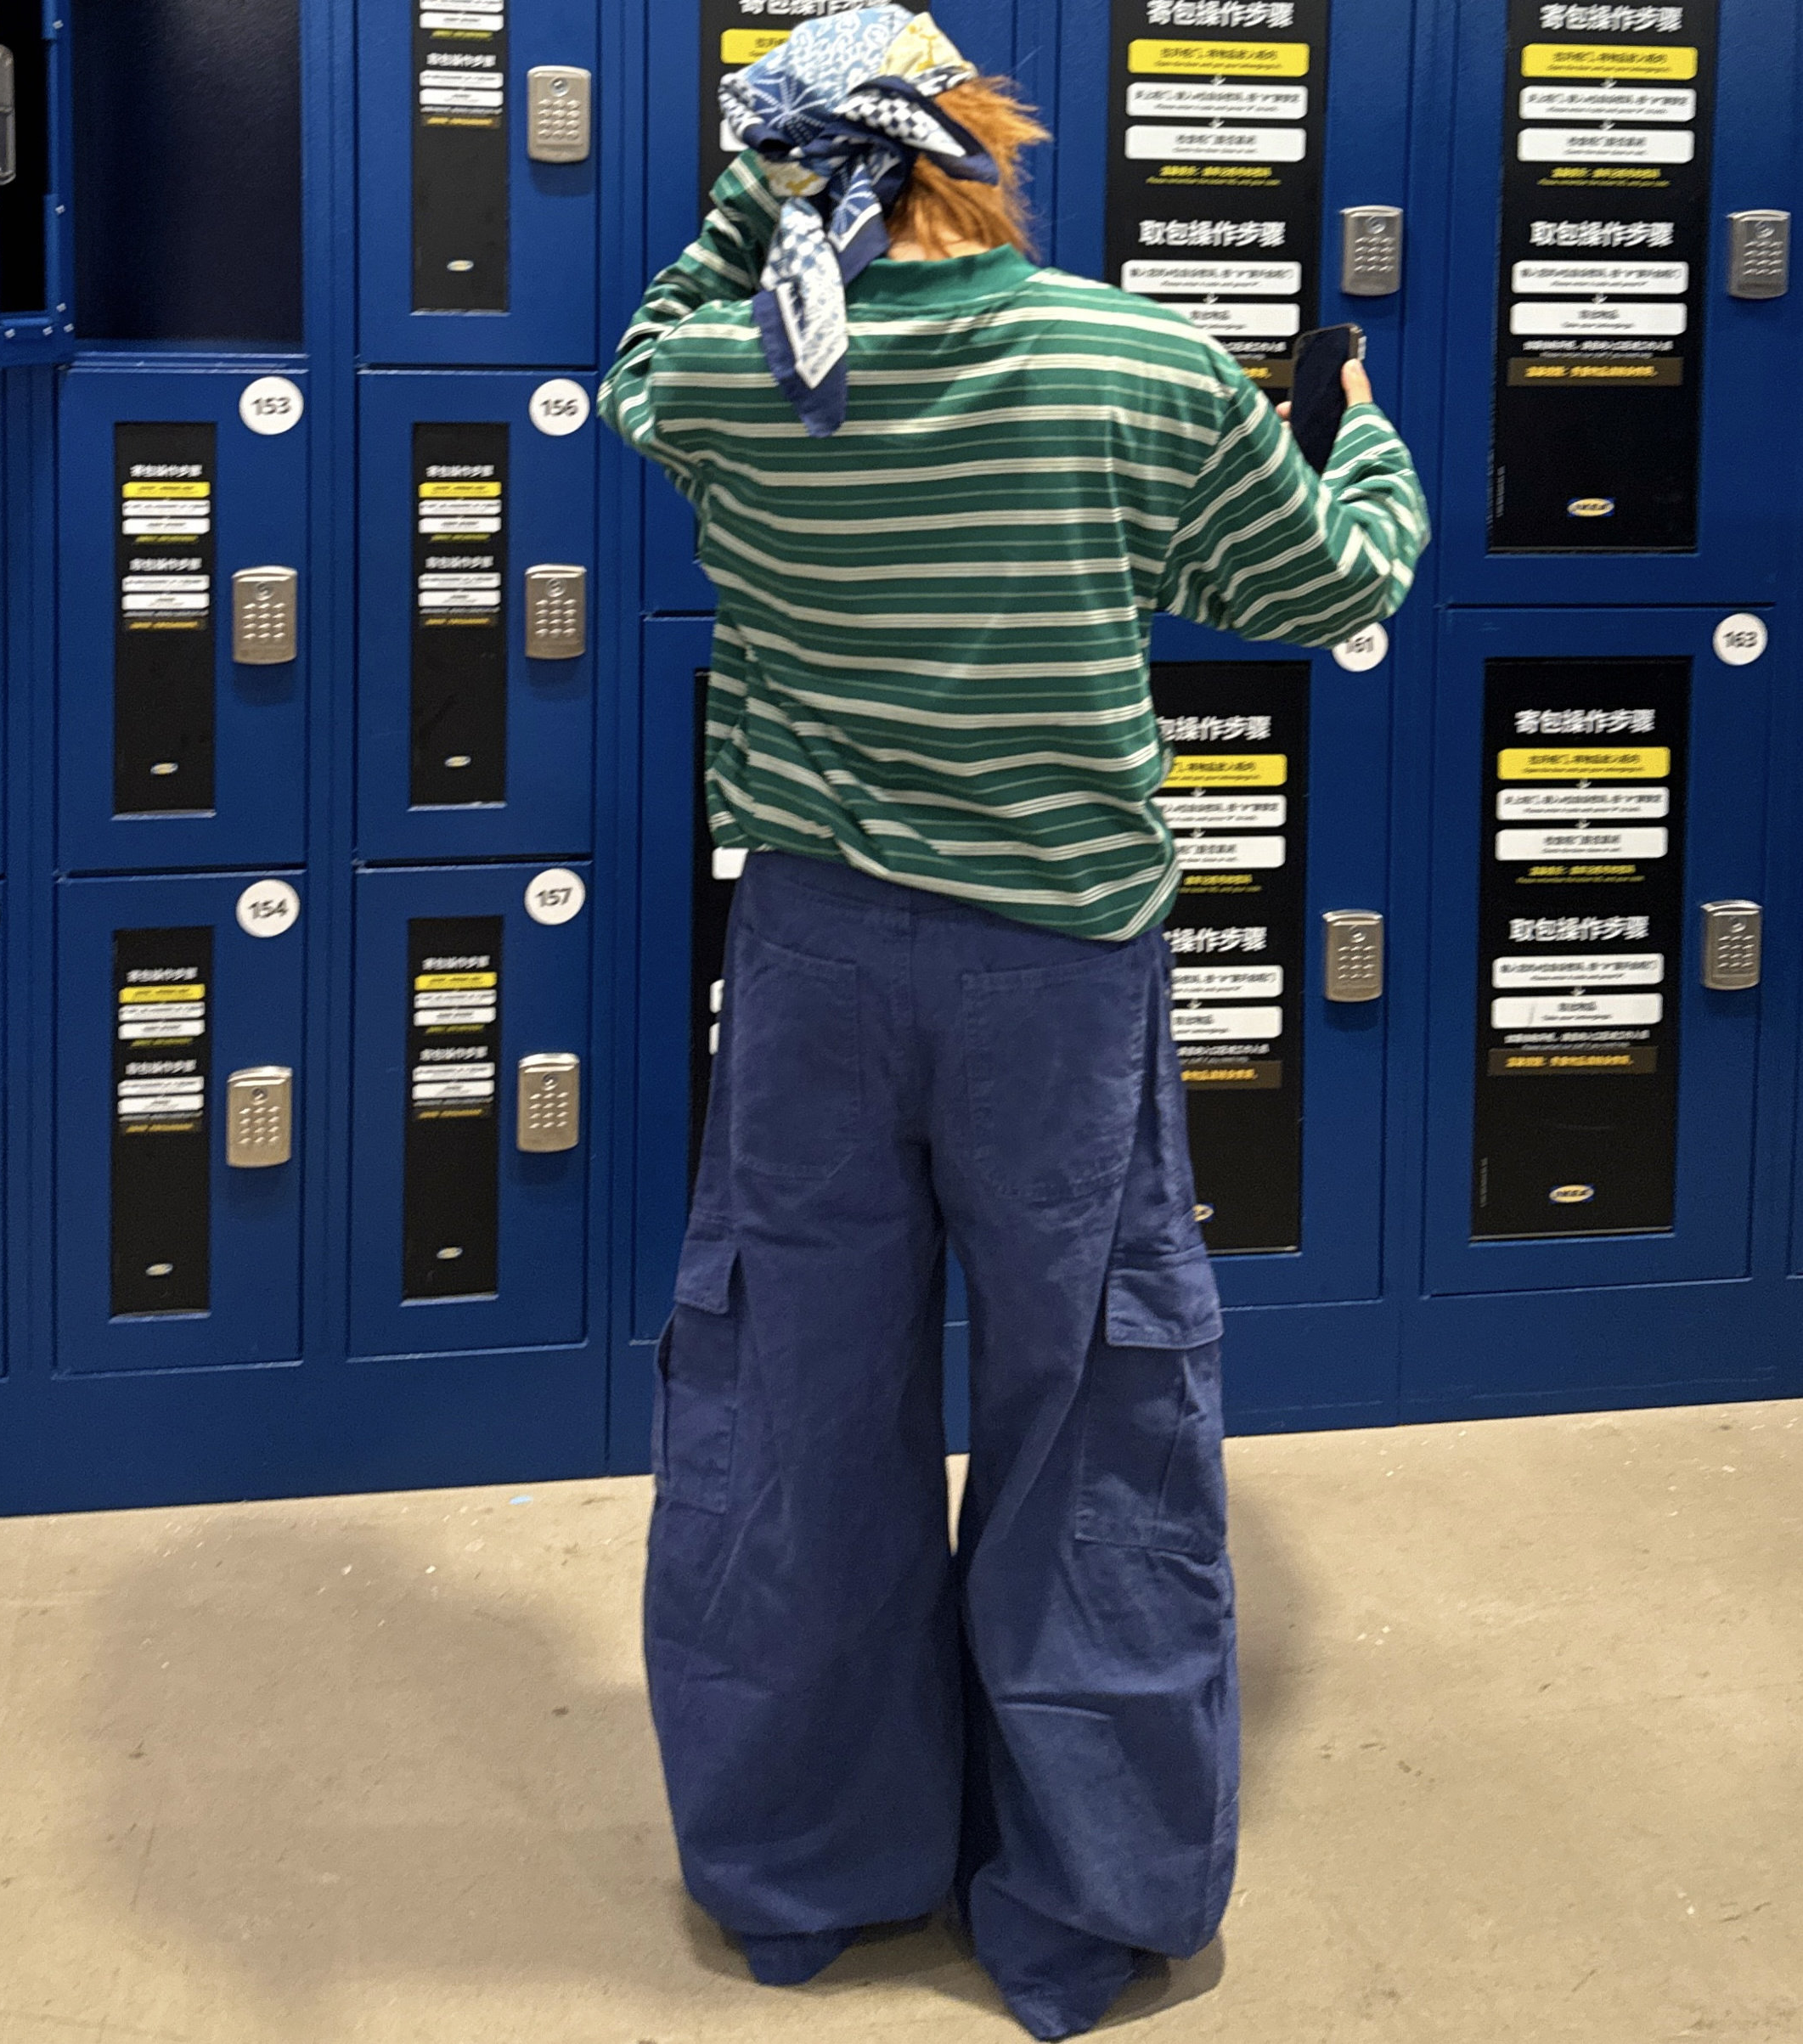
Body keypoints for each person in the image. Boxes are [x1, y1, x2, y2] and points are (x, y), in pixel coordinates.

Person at [599, 9, 1428, 2038]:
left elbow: (643, 352)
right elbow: (1332, 584)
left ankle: (806, 1875)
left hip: (812, 958)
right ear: (980, 139)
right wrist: (1364, 429)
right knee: (1091, 1410)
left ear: (787, 168)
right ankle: (1078, 1908)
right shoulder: (1138, 366)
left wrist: (759, 207)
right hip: (1056, 971)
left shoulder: (727, 379)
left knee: (794, 1392)